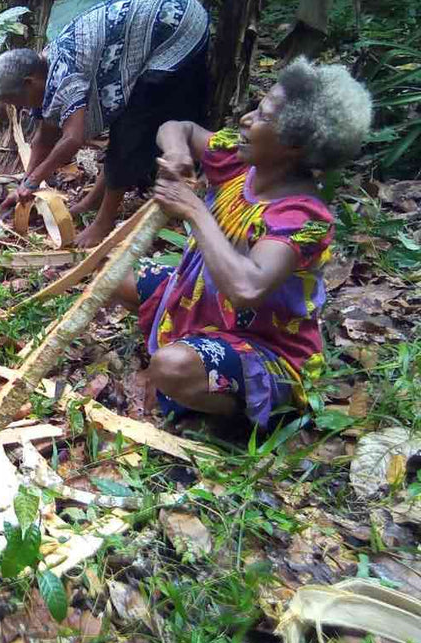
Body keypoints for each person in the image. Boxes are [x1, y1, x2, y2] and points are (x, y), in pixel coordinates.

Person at [111, 58, 372, 427]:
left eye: (263, 116)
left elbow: (247, 287)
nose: (247, 119)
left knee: (170, 367)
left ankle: (246, 409)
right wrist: (178, 153)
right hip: (201, 304)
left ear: (294, 143)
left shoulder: (303, 218)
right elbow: (178, 127)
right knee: (115, 274)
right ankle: (197, 358)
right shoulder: (239, 160)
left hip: (264, 344)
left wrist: (194, 210)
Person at [0, 0, 210, 247]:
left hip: (178, 28)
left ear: (29, 82)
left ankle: (104, 222)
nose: (22, 108)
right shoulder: (47, 66)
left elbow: (73, 139)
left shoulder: (66, 74)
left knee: (130, 127)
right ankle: (92, 201)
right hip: (161, 22)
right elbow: (44, 137)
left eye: (17, 101)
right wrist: (25, 185)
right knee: (123, 121)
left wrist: (35, 180)